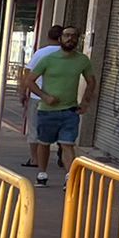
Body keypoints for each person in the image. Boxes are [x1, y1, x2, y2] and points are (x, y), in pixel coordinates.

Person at [20, 30, 94, 186]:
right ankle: (42, 173)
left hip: (70, 111)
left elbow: (91, 81)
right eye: (67, 36)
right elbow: (30, 80)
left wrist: (85, 103)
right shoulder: (48, 59)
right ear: (60, 39)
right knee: (44, 143)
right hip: (47, 111)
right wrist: (45, 96)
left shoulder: (82, 60)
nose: (70, 39)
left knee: (67, 144)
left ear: (78, 40)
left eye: (74, 36)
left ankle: (70, 178)